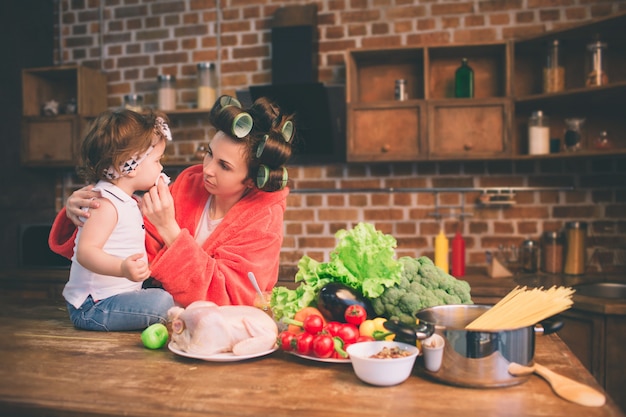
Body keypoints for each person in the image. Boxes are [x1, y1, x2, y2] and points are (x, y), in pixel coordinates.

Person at [50, 96, 294, 308]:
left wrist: (169, 229)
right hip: (151, 321)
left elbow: (232, 296)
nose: (207, 169)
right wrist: (93, 209)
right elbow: (130, 247)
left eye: (224, 166)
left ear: (251, 181)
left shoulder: (263, 218)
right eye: (209, 153)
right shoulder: (191, 182)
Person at [61, 109, 175, 331]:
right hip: (93, 306)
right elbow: (86, 252)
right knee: (163, 302)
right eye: (157, 161)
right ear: (129, 165)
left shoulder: (128, 201)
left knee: (165, 298)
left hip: (115, 297)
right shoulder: (105, 204)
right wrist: (122, 268)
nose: (161, 168)